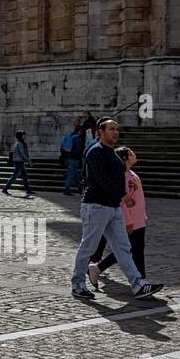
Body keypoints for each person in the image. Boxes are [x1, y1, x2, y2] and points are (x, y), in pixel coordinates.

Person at [70, 119, 164, 301]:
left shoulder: (112, 153)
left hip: (113, 207)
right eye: (111, 129)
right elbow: (101, 179)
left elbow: (118, 175)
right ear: (100, 131)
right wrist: (123, 195)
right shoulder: (95, 151)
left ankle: (137, 284)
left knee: (123, 247)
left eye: (117, 129)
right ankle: (78, 284)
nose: (116, 132)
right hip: (96, 206)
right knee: (88, 246)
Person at [88, 146, 147, 286]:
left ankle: (98, 268)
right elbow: (122, 202)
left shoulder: (132, 173)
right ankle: (141, 280)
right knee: (130, 249)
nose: (134, 154)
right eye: (131, 153)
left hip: (139, 218)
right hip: (131, 220)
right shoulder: (121, 177)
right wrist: (128, 221)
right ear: (125, 159)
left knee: (135, 249)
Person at [2, 131, 33, 197]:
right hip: (18, 161)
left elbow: (25, 153)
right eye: (23, 135)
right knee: (14, 176)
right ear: (21, 136)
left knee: (24, 176)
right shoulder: (19, 144)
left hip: (20, 161)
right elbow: (22, 153)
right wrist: (28, 161)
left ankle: (28, 190)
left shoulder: (21, 143)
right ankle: (5, 189)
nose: (25, 136)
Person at [60, 118, 82, 195]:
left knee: (74, 175)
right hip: (74, 159)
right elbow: (78, 150)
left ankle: (80, 190)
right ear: (79, 131)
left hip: (67, 158)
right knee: (71, 175)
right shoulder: (77, 138)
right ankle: (66, 190)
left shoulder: (69, 135)